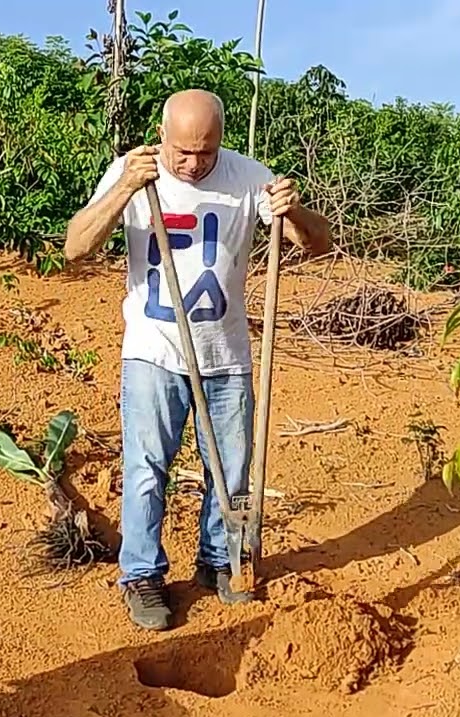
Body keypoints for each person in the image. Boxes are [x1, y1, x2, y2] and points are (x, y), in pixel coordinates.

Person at [63, 88, 334, 630]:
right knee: (146, 471)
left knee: (232, 473)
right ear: (162, 135)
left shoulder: (248, 176)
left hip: (225, 352)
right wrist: (124, 188)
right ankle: (142, 576)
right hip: (153, 351)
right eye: (181, 152)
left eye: (204, 153)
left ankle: (221, 562)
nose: (192, 164)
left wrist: (293, 209)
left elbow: (319, 245)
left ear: (221, 143)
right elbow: (76, 247)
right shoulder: (131, 171)